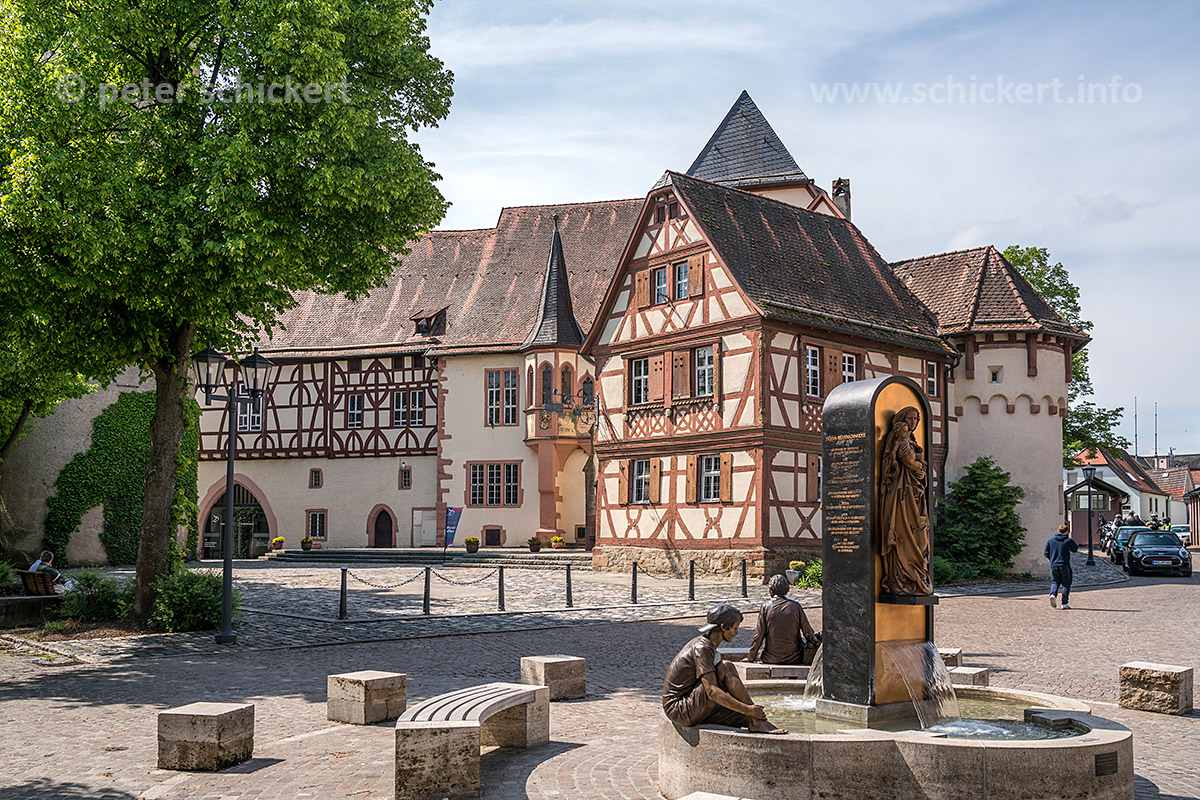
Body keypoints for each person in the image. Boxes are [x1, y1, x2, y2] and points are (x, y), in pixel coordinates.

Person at [662, 603, 787, 734]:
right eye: (735, 628)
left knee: (746, 718)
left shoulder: (707, 645)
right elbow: (712, 691)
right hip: (679, 710)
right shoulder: (702, 648)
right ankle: (757, 720)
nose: (736, 633)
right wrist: (749, 709)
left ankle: (756, 722)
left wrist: (748, 713)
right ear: (723, 627)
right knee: (726, 667)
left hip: (689, 704)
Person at [879, 406, 932, 595]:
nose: (913, 422)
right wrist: (918, 466)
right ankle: (899, 577)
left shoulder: (911, 440)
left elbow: (916, 464)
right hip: (901, 492)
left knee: (918, 529)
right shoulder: (898, 441)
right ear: (901, 420)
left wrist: (921, 470)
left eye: (916, 419)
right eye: (909, 418)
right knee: (902, 529)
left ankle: (915, 574)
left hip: (914, 491)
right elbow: (903, 462)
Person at [747, 574, 816, 665]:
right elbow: (808, 633)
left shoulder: (766, 607)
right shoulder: (796, 607)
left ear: (770, 590)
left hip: (770, 658)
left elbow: (759, 635)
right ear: (787, 590)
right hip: (795, 657)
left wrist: (751, 657)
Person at [1044, 524, 1079, 609]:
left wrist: (1052, 559)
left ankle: (1053, 594)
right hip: (1064, 565)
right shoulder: (1068, 541)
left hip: (1054, 565)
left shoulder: (1050, 541)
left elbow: (1046, 553)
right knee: (1066, 584)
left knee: (1055, 582)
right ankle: (1064, 603)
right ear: (1067, 532)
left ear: (1058, 531)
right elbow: (1075, 549)